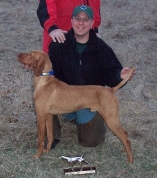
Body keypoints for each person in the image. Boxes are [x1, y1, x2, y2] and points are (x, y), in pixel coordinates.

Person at [48, 5, 134, 148]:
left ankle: (78, 119)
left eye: (85, 19)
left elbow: (111, 75)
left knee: (92, 141)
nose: (81, 23)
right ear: (71, 20)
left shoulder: (102, 48)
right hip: (63, 98)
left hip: (89, 100)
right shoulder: (58, 44)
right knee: (43, 93)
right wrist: (37, 67)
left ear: (92, 23)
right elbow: (50, 74)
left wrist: (120, 75)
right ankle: (52, 136)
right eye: (77, 18)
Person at [37, 0, 101, 53]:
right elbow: (46, 9)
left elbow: (94, 10)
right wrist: (52, 28)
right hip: (58, 42)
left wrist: (94, 30)